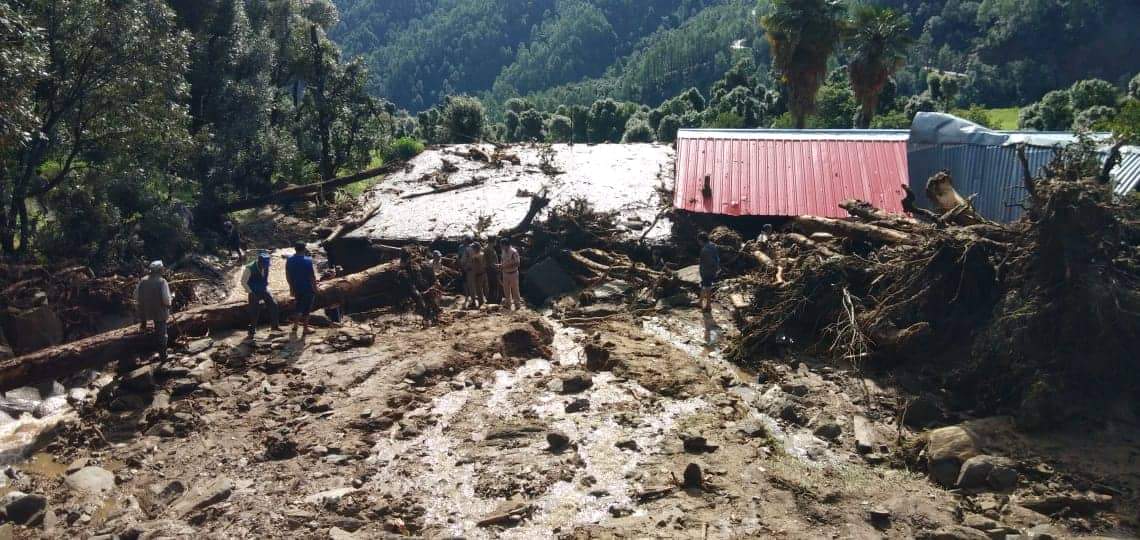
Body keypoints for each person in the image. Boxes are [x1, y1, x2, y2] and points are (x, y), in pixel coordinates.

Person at [136, 260, 172, 362]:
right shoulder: (162, 282)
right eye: (162, 269)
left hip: (145, 311)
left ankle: (145, 353)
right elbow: (166, 299)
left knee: (145, 330)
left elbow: (136, 296)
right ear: (160, 270)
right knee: (162, 334)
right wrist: (169, 304)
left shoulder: (143, 281)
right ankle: (163, 356)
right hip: (159, 311)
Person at [241, 250, 280, 336]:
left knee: (274, 305)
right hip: (253, 291)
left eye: (266, 265)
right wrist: (250, 292)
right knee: (255, 310)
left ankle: (275, 326)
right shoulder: (249, 268)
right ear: (259, 262)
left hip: (264, 289)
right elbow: (243, 282)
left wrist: (266, 287)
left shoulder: (266, 266)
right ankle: (252, 330)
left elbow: (264, 279)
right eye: (264, 265)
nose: (265, 267)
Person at [285, 242, 319, 336]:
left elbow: (287, 275)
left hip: (296, 287)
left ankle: (295, 326)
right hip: (307, 288)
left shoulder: (289, 260)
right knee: (306, 309)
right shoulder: (308, 260)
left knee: (298, 306)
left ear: (295, 249)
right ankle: (305, 328)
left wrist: (291, 287)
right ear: (304, 249)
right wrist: (315, 288)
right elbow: (312, 277)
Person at [498, 237, 523, 311]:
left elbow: (517, 263)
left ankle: (517, 304)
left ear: (506, 245)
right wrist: (501, 266)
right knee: (506, 289)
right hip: (505, 272)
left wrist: (506, 265)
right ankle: (508, 303)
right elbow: (502, 260)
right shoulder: (503, 251)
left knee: (515, 289)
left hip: (513, 273)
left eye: (502, 245)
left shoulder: (513, 252)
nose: (501, 246)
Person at [698, 232, 720, 313]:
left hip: (707, 271)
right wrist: (717, 268)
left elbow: (707, 262)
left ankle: (708, 305)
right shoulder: (713, 245)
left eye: (699, 240)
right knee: (704, 285)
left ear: (701, 240)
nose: (698, 242)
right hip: (712, 270)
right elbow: (717, 258)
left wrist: (702, 271)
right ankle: (700, 302)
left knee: (707, 287)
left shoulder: (705, 250)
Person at [466, 241, 487, 308]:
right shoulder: (480, 254)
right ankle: (482, 303)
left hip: (480, 274)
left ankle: (481, 304)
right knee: (480, 290)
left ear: (476, 248)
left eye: (473, 248)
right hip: (480, 274)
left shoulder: (478, 255)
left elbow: (477, 265)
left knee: (479, 290)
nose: (472, 249)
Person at [458, 235, 474, 308]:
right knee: (464, 282)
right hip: (463, 267)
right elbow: (459, 257)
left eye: (465, 240)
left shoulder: (471, 247)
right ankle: (467, 295)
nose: (463, 241)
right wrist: (460, 266)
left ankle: (472, 296)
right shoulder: (461, 247)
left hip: (470, 268)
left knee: (471, 282)